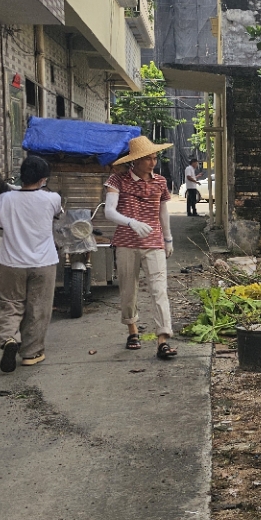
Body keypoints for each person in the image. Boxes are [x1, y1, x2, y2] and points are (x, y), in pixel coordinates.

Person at [104, 135, 178, 360]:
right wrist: (131, 222)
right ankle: (132, 330)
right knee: (128, 290)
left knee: (159, 290)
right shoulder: (117, 180)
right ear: (134, 161)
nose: (153, 162)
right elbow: (109, 211)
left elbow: (163, 210)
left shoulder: (160, 182)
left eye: (155, 157)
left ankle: (163, 339)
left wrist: (168, 238)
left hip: (153, 243)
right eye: (148, 159)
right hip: (126, 243)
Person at [0, 156, 64, 372]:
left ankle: (8, 338)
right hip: (43, 262)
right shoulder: (52, 199)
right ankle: (31, 353)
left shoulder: (4, 199)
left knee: (11, 304)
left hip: (10, 262)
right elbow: (58, 216)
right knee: (38, 307)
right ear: (44, 179)